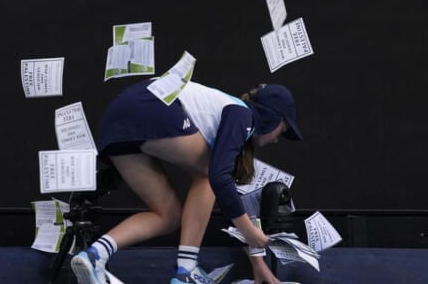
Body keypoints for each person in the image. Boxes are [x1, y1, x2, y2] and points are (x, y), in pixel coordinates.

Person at [70, 79, 303, 284]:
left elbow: (235, 199)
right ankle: (186, 271)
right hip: (149, 104)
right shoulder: (243, 114)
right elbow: (219, 179)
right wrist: (249, 231)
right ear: (271, 118)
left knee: (168, 216)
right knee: (209, 175)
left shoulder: (228, 118)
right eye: (281, 131)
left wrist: (258, 264)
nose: (276, 141)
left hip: (115, 120)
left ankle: (93, 256)